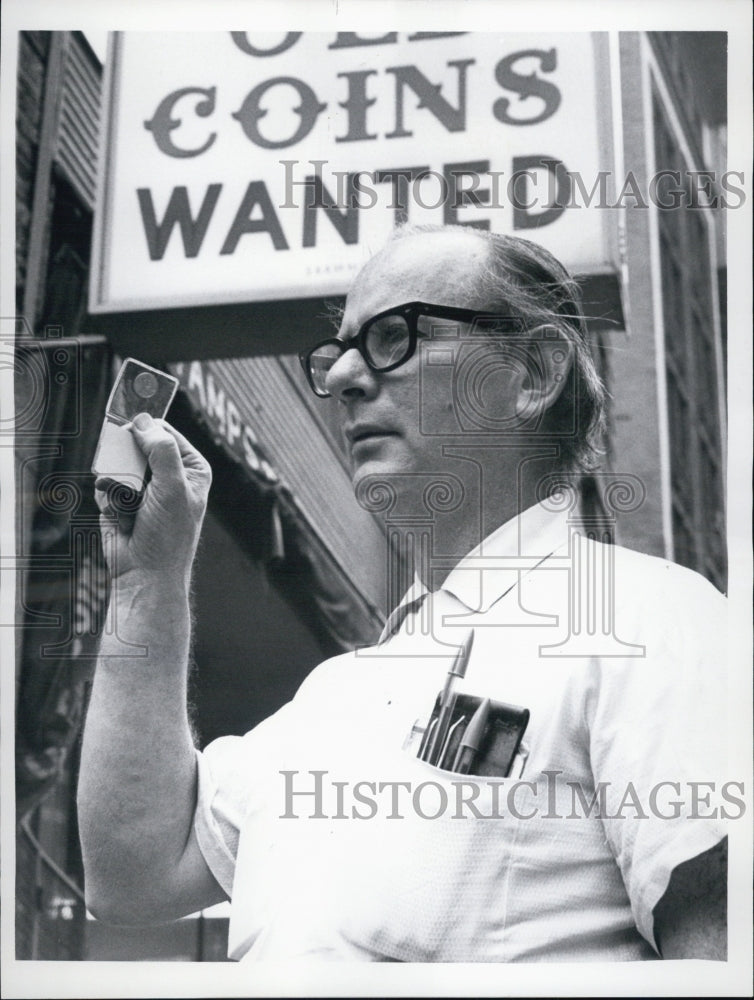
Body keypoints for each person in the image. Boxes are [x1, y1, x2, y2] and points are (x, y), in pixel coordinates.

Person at [78, 225, 729, 963]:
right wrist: (147, 584)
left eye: (395, 336)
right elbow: (132, 871)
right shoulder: (332, 693)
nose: (345, 379)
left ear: (533, 374)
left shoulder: (652, 620)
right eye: (338, 353)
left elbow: (722, 955)